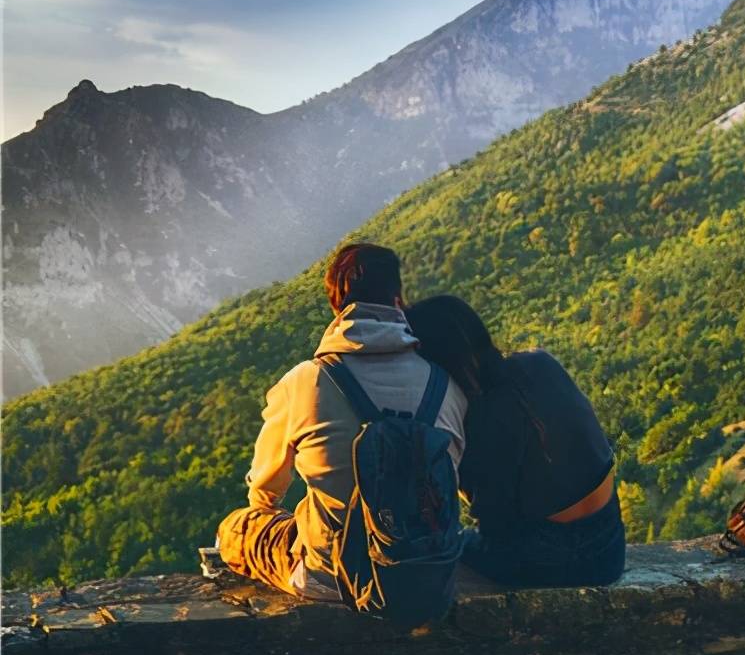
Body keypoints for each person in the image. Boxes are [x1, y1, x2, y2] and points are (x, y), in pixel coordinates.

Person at [216, 244, 468, 600]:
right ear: (398, 300)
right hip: (424, 570)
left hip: (330, 574)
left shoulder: (306, 380)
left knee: (236, 528)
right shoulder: (446, 385)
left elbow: (264, 487)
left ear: (336, 306)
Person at [404, 294, 624, 587]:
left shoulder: (483, 418)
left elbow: (497, 531)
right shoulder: (539, 363)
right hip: (610, 542)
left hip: (558, 560)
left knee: (445, 547)